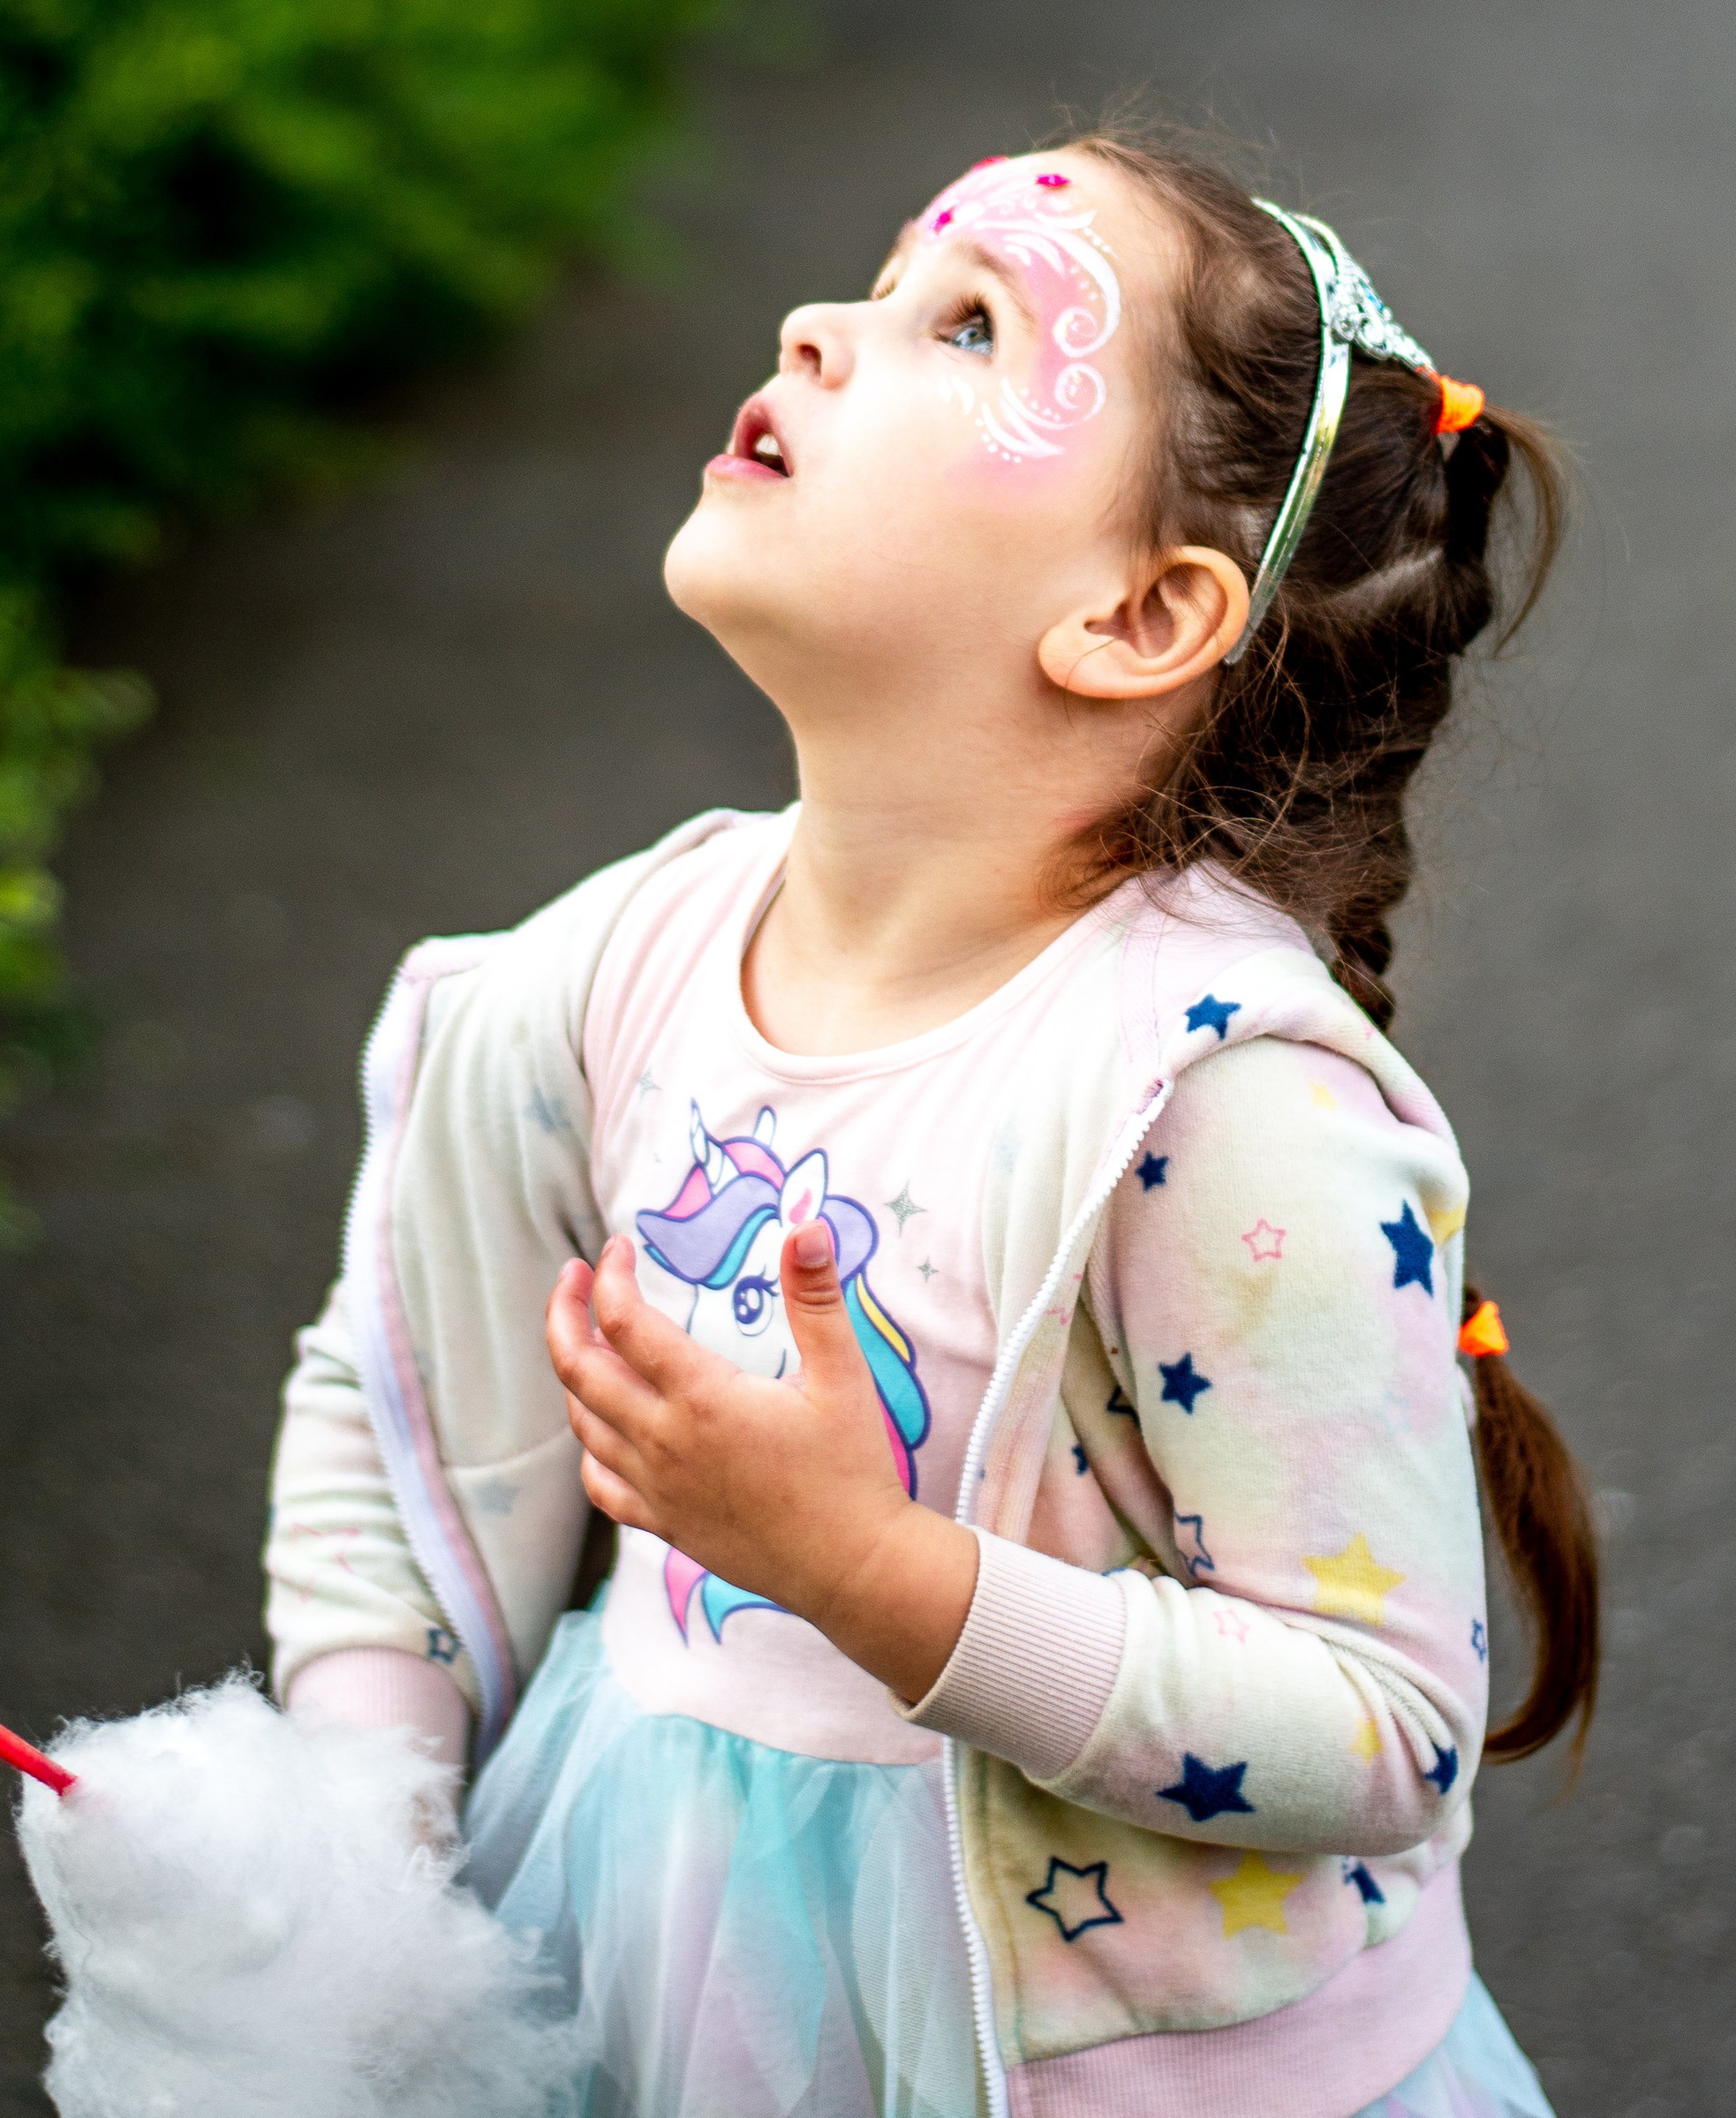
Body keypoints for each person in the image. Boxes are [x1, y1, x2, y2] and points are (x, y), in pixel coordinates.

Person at [264, 132, 1601, 2118]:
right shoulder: (618, 964)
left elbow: (1378, 1722)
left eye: (965, 326)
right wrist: (354, 1846)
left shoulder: (1214, 1100)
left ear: (1139, 616)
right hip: (654, 1987)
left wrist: (866, 1570)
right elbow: (400, 1408)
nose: (816, 325)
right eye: (880, 280)